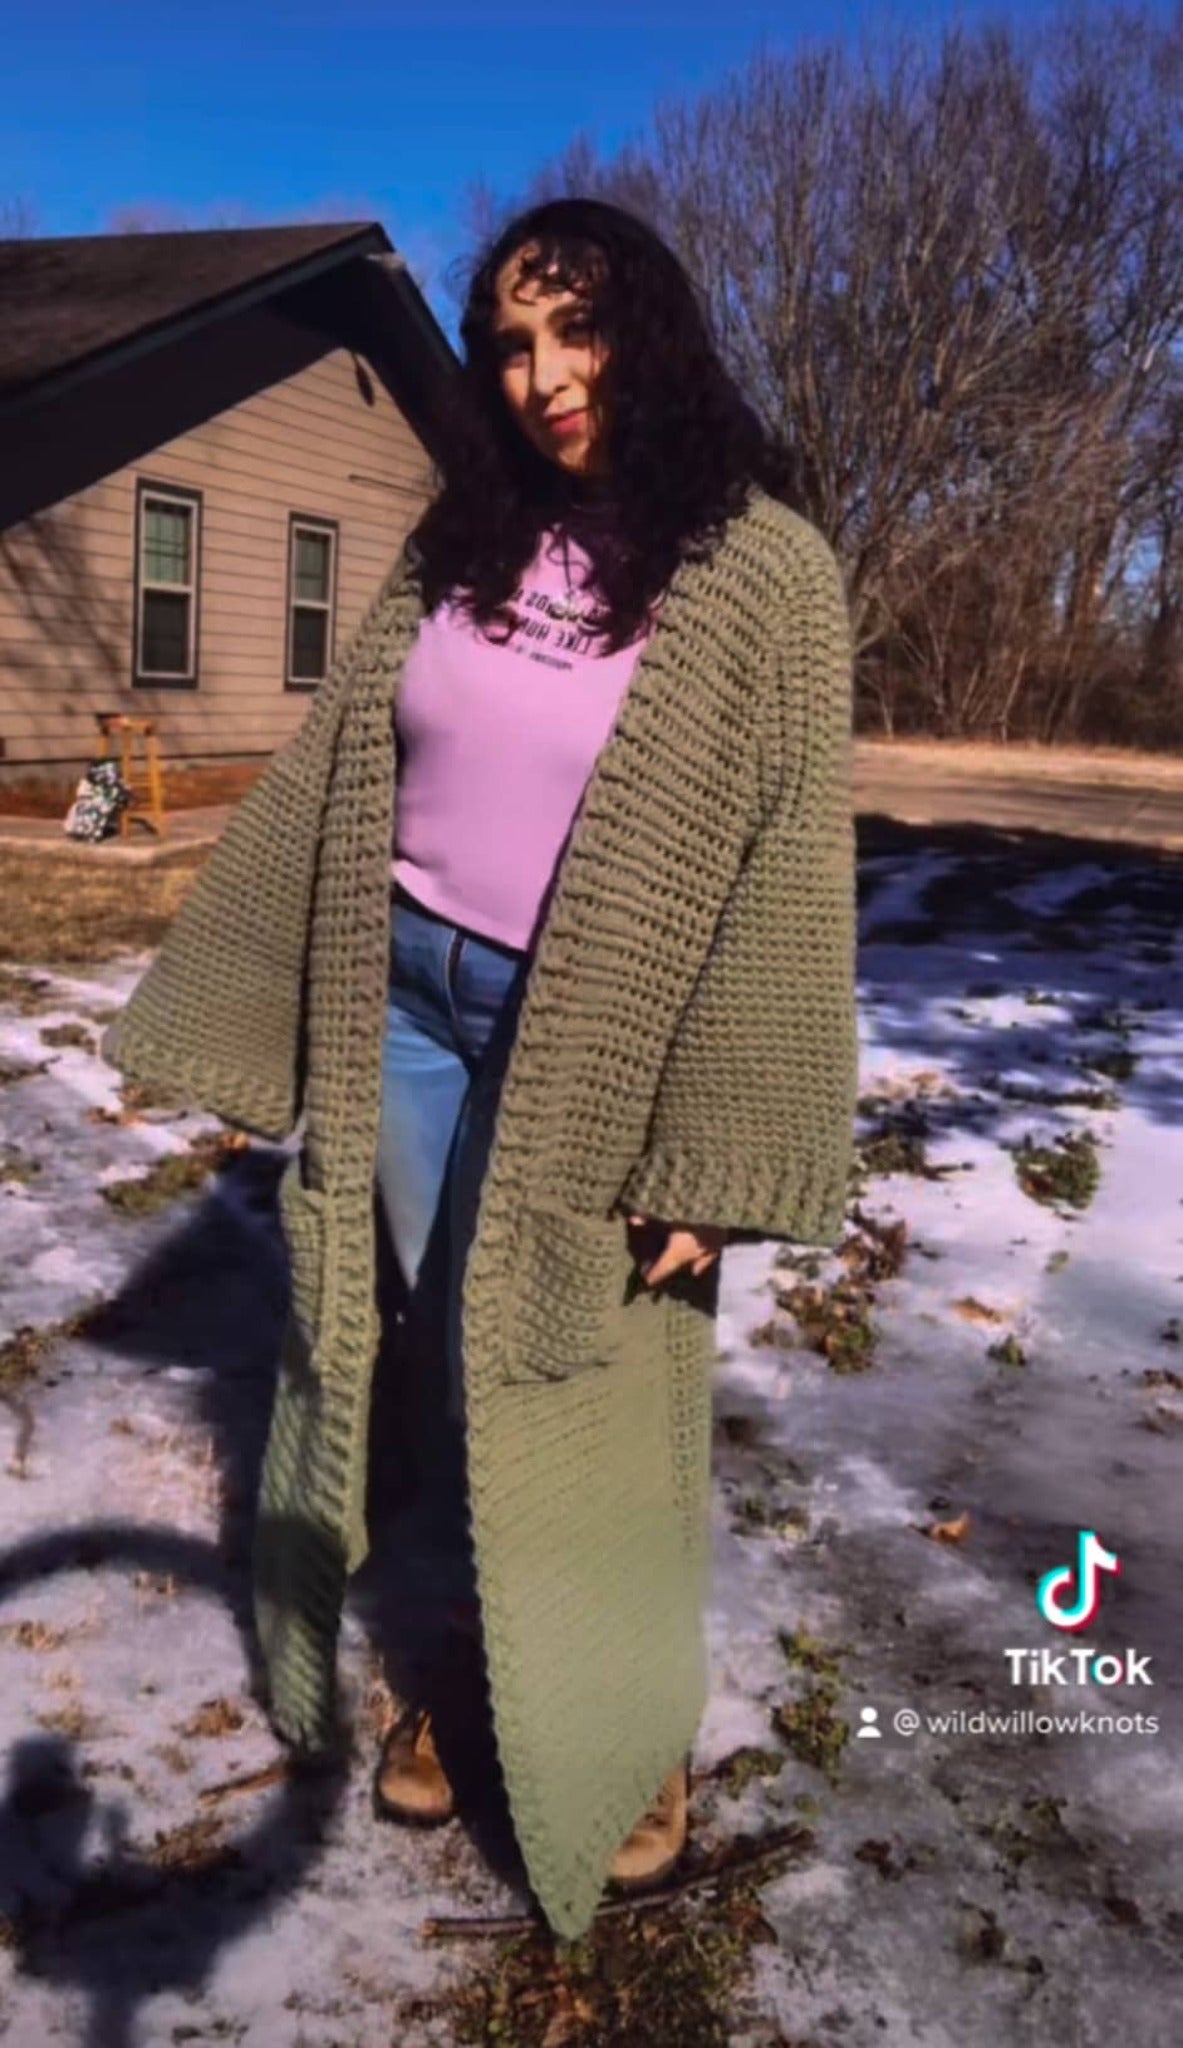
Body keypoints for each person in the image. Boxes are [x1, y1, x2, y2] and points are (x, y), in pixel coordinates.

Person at [103, 196, 859, 1940]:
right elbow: (339, 769)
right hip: (407, 999)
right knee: (437, 1367)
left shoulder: (764, 573)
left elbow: (787, 866)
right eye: (511, 342)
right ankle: (458, 1664)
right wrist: (239, 991)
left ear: (650, 327)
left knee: (589, 1383)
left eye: (577, 328)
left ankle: (628, 1729)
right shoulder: (463, 538)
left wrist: (725, 1143)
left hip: (587, 1028)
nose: (542, 375)